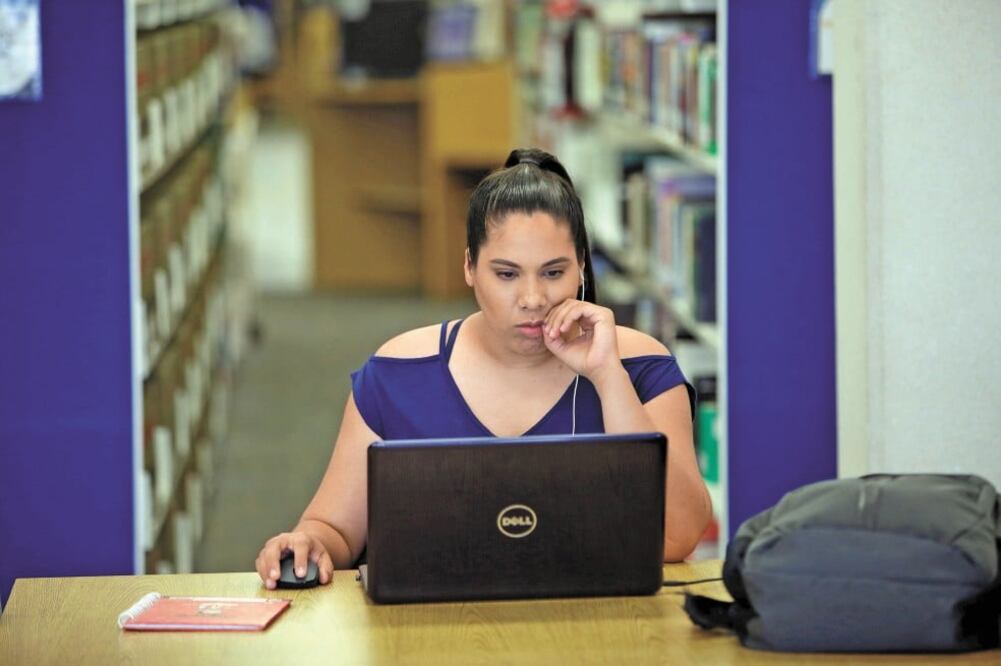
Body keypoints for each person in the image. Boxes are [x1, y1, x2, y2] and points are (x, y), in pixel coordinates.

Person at [255, 148, 712, 589]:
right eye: (507, 274)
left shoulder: (641, 367)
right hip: (433, 637)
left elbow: (679, 536)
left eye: (554, 273)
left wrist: (609, 378)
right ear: (470, 267)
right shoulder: (397, 374)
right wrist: (308, 542)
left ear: (582, 271)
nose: (532, 299)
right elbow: (334, 528)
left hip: (600, 633)